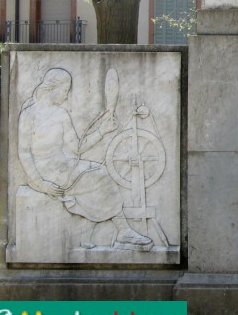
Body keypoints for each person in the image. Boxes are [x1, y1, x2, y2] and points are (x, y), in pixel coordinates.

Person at [17, 68, 153, 250]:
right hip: (43, 174)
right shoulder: (28, 114)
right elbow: (24, 153)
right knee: (100, 178)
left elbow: (77, 148)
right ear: (52, 88)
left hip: (62, 166)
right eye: (65, 91)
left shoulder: (61, 114)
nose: (66, 96)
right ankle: (121, 231)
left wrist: (102, 131)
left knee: (101, 172)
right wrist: (41, 183)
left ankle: (109, 232)